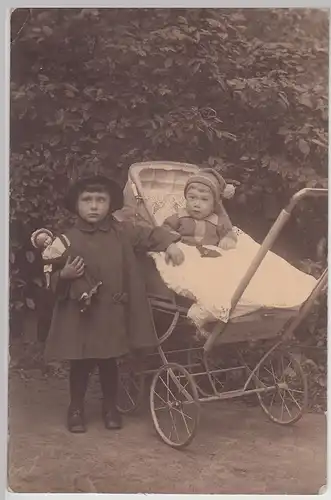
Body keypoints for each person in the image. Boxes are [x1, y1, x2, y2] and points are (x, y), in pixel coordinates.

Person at [44, 173, 184, 434]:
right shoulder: (67, 239)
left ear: (110, 204)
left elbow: (150, 235)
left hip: (110, 312)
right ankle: (76, 408)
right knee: (81, 363)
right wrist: (64, 276)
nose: (94, 206)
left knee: (109, 362)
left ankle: (111, 407)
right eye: (87, 200)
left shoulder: (123, 232)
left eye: (100, 200)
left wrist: (170, 244)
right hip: (81, 314)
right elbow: (48, 274)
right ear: (76, 204)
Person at [162, 168, 237, 252]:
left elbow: (228, 232)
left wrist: (228, 239)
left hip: (210, 256)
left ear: (214, 204)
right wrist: (170, 235)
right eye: (192, 197)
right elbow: (166, 227)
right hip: (185, 253)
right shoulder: (181, 216)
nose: (197, 204)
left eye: (204, 199)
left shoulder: (217, 220)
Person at [31, 228, 102, 312]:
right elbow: (48, 269)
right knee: (76, 283)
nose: (47, 242)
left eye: (46, 239)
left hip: (76, 257)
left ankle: (93, 284)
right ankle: (83, 297)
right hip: (64, 266)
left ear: (50, 235)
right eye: (43, 243)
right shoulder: (47, 254)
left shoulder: (61, 239)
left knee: (86, 270)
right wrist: (58, 276)